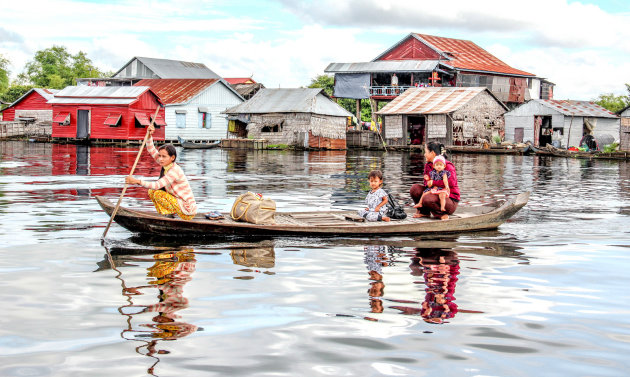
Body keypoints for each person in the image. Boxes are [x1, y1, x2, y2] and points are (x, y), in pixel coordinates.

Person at [125, 124, 198, 220]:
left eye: (164, 156)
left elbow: (157, 185)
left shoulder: (174, 170)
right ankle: (167, 215)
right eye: (160, 156)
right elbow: (151, 150)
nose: (160, 159)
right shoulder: (165, 164)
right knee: (151, 192)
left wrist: (137, 181)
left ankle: (168, 215)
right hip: (179, 204)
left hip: (187, 210)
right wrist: (149, 136)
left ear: (172, 158)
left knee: (157, 193)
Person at [410, 141, 460, 220]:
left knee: (428, 198)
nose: (424, 154)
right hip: (434, 192)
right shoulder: (428, 165)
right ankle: (424, 212)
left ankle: (440, 214)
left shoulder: (448, 166)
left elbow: (451, 183)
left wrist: (433, 182)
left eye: (426, 152)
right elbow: (427, 184)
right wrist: (429, 182)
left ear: (432, 153)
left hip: (449, 199)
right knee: (415, 189)